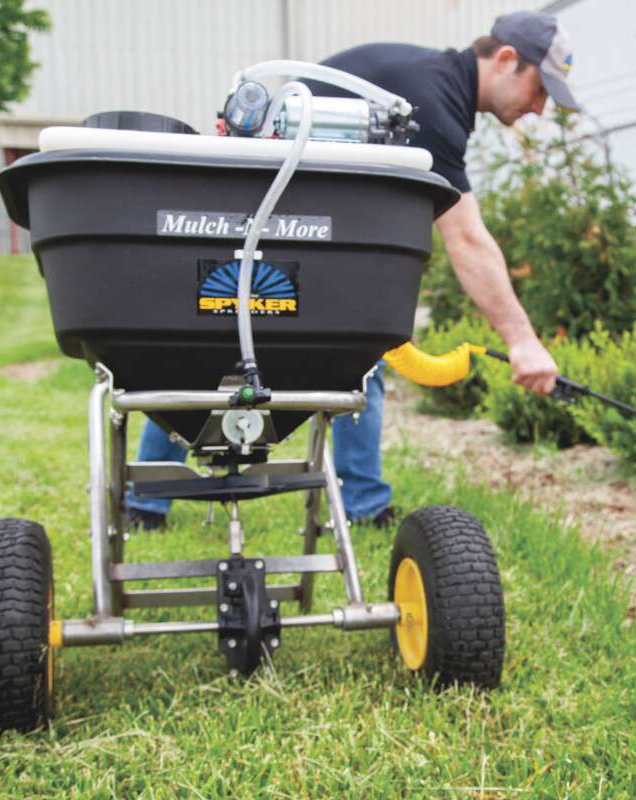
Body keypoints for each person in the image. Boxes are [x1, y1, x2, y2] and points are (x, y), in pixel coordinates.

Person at [126, 10, 578, 531]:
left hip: (302, 227)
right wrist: (521, 340)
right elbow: (467, 240)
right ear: (505, 60)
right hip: (268, 222)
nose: (540, 108)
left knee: (352, 348)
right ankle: (151, 499)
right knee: (223, 344)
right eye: (541, 89)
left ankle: (352, 503)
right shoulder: (429, 102)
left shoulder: (426, 83)